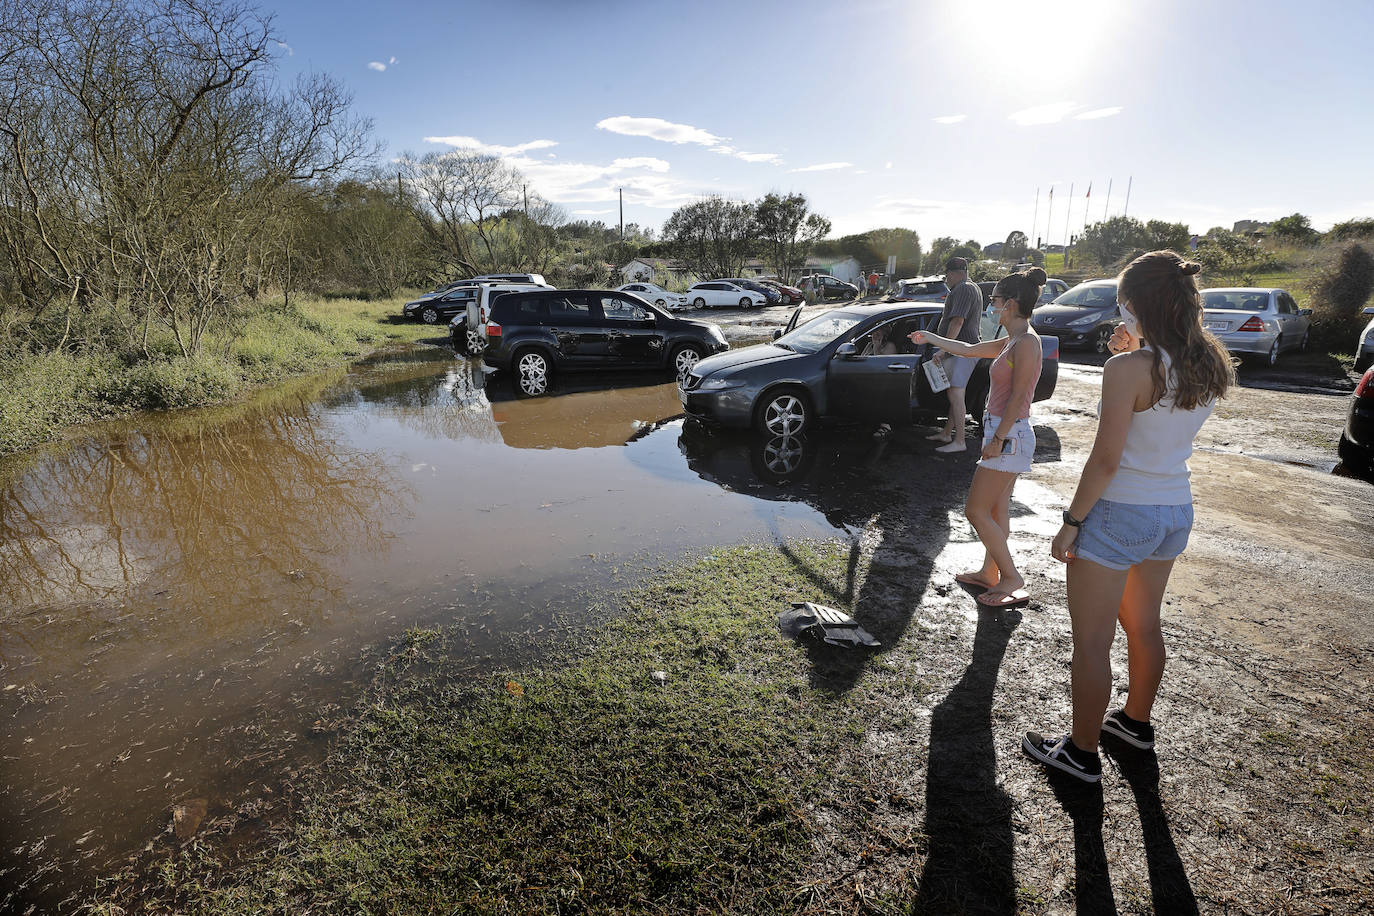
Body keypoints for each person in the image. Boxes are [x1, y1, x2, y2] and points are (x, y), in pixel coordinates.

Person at [1022, 250, 1235, 784]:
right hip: (1173, 511)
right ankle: (1135, 725)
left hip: (1119, 513)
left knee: (1091, 643)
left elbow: (1106, 459)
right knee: (1143, 625)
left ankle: (1081, 752)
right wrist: (1138, 346)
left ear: (1136, 303)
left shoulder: (1126, 369)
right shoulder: (1207, 361)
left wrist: (1072, 520)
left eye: (1121, 298)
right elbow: (1160, 412)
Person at [911, 267, 1046, 608]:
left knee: (975, 510)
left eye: (995, 300)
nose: (991, 305)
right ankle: (991, 572)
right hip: (1004, 432)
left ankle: (1011, 576)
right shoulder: (1013, 339)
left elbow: (1018, 398)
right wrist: (931, 339)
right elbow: (969, 350)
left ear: (1010, 304)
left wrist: (997, 439)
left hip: (1010, 435)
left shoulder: (1027, 343)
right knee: (997, 510)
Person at [927, 257, 984, 452]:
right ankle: (946, 434)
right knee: (954, 392)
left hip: (962, 350)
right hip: (963, 349)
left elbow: (957, 321)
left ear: (953, 273)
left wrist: (944, 349)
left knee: (956, 393)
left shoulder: (963, 289)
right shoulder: (972, 287)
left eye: (946, 276)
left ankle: (960, 441)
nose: (946, 280)